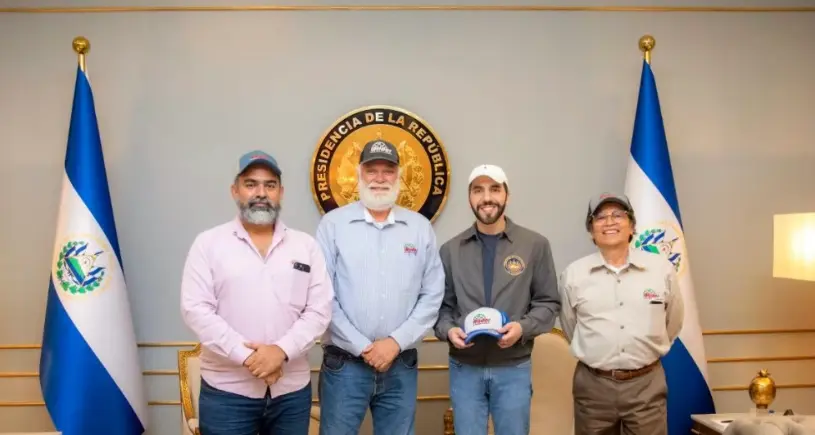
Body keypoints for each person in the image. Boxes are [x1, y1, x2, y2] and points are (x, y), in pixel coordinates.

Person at [180, 150, 334, 435]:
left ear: (281, 192)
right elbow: (196, 309)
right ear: (235, 190)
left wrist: (280, 352)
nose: (261, 193)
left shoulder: (305, 246)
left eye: (270, 185)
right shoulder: (208, 244)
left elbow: (319, 310)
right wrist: (250, 357)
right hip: (227, 394)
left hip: (291, 394)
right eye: (251, 184)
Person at [314, 139, 445, 435]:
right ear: (359, 173)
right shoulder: (333, 225)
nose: (380, 178)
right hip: (345, 365)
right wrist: (364, 347)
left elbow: (432, 295)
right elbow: (321, 295)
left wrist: (395, 342)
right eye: (372, 170)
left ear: (399, 176)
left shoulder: (419, 227)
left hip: (400, 365)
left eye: (388, 170)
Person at [433, 164, 562, 435]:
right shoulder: (450, 250)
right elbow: (442, 309)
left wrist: (522, 328)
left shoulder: (534, 245)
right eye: (478, 190)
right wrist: (449, 331)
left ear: (507, 195)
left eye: (494, 189)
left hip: (513, 366)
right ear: (469, 198)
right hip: (464, 367)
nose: (486, 197)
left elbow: (548, 303)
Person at [558, 192, 684, 435]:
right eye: (600, 217)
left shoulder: (661, 270)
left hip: (646, 384)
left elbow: (673, 322)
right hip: (593, 387)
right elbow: (570, 326)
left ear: (632, 226)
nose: (610, 222)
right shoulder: (574, 275)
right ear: (591, 230)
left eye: (618, 215)